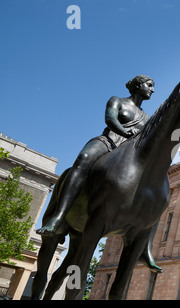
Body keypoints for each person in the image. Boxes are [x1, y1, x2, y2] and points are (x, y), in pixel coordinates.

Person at [36, 75, 155, 236]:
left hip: (126, 150)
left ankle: (142, 244)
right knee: (83, 159)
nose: (152, 89)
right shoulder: (117, 101)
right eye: (149, 85)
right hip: (109, 140)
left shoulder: (147, 117)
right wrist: (126, 132)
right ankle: (58, 217)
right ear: (138, 85)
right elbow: (110, 118)